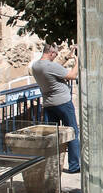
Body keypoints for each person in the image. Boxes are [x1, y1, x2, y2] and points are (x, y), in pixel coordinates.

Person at [30, 44, 82, 174]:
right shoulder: (51, 66)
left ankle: (51, 165)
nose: (56, 57)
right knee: (72, 132)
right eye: (56, 55)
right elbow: (71, 75)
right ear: (51, 53)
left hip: (48, 104)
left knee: (52, 135)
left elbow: (53, 68)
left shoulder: (36, 66)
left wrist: (66, 57)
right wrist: (78, 61)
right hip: (63, 103)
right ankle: (74, 166)